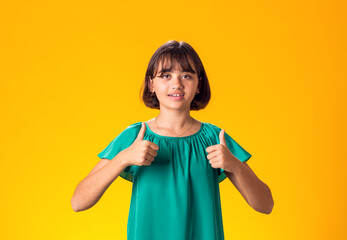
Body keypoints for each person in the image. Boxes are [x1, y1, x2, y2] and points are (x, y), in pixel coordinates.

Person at [71, 40, 274, 240]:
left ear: (198, 85)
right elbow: (78, 202)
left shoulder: (214, 139)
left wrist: (235, 166)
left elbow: (266, 205)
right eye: (165, 76)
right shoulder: (135, 136)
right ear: (151, 84)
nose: (176, 84)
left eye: (186, 75)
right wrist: (123, 158)